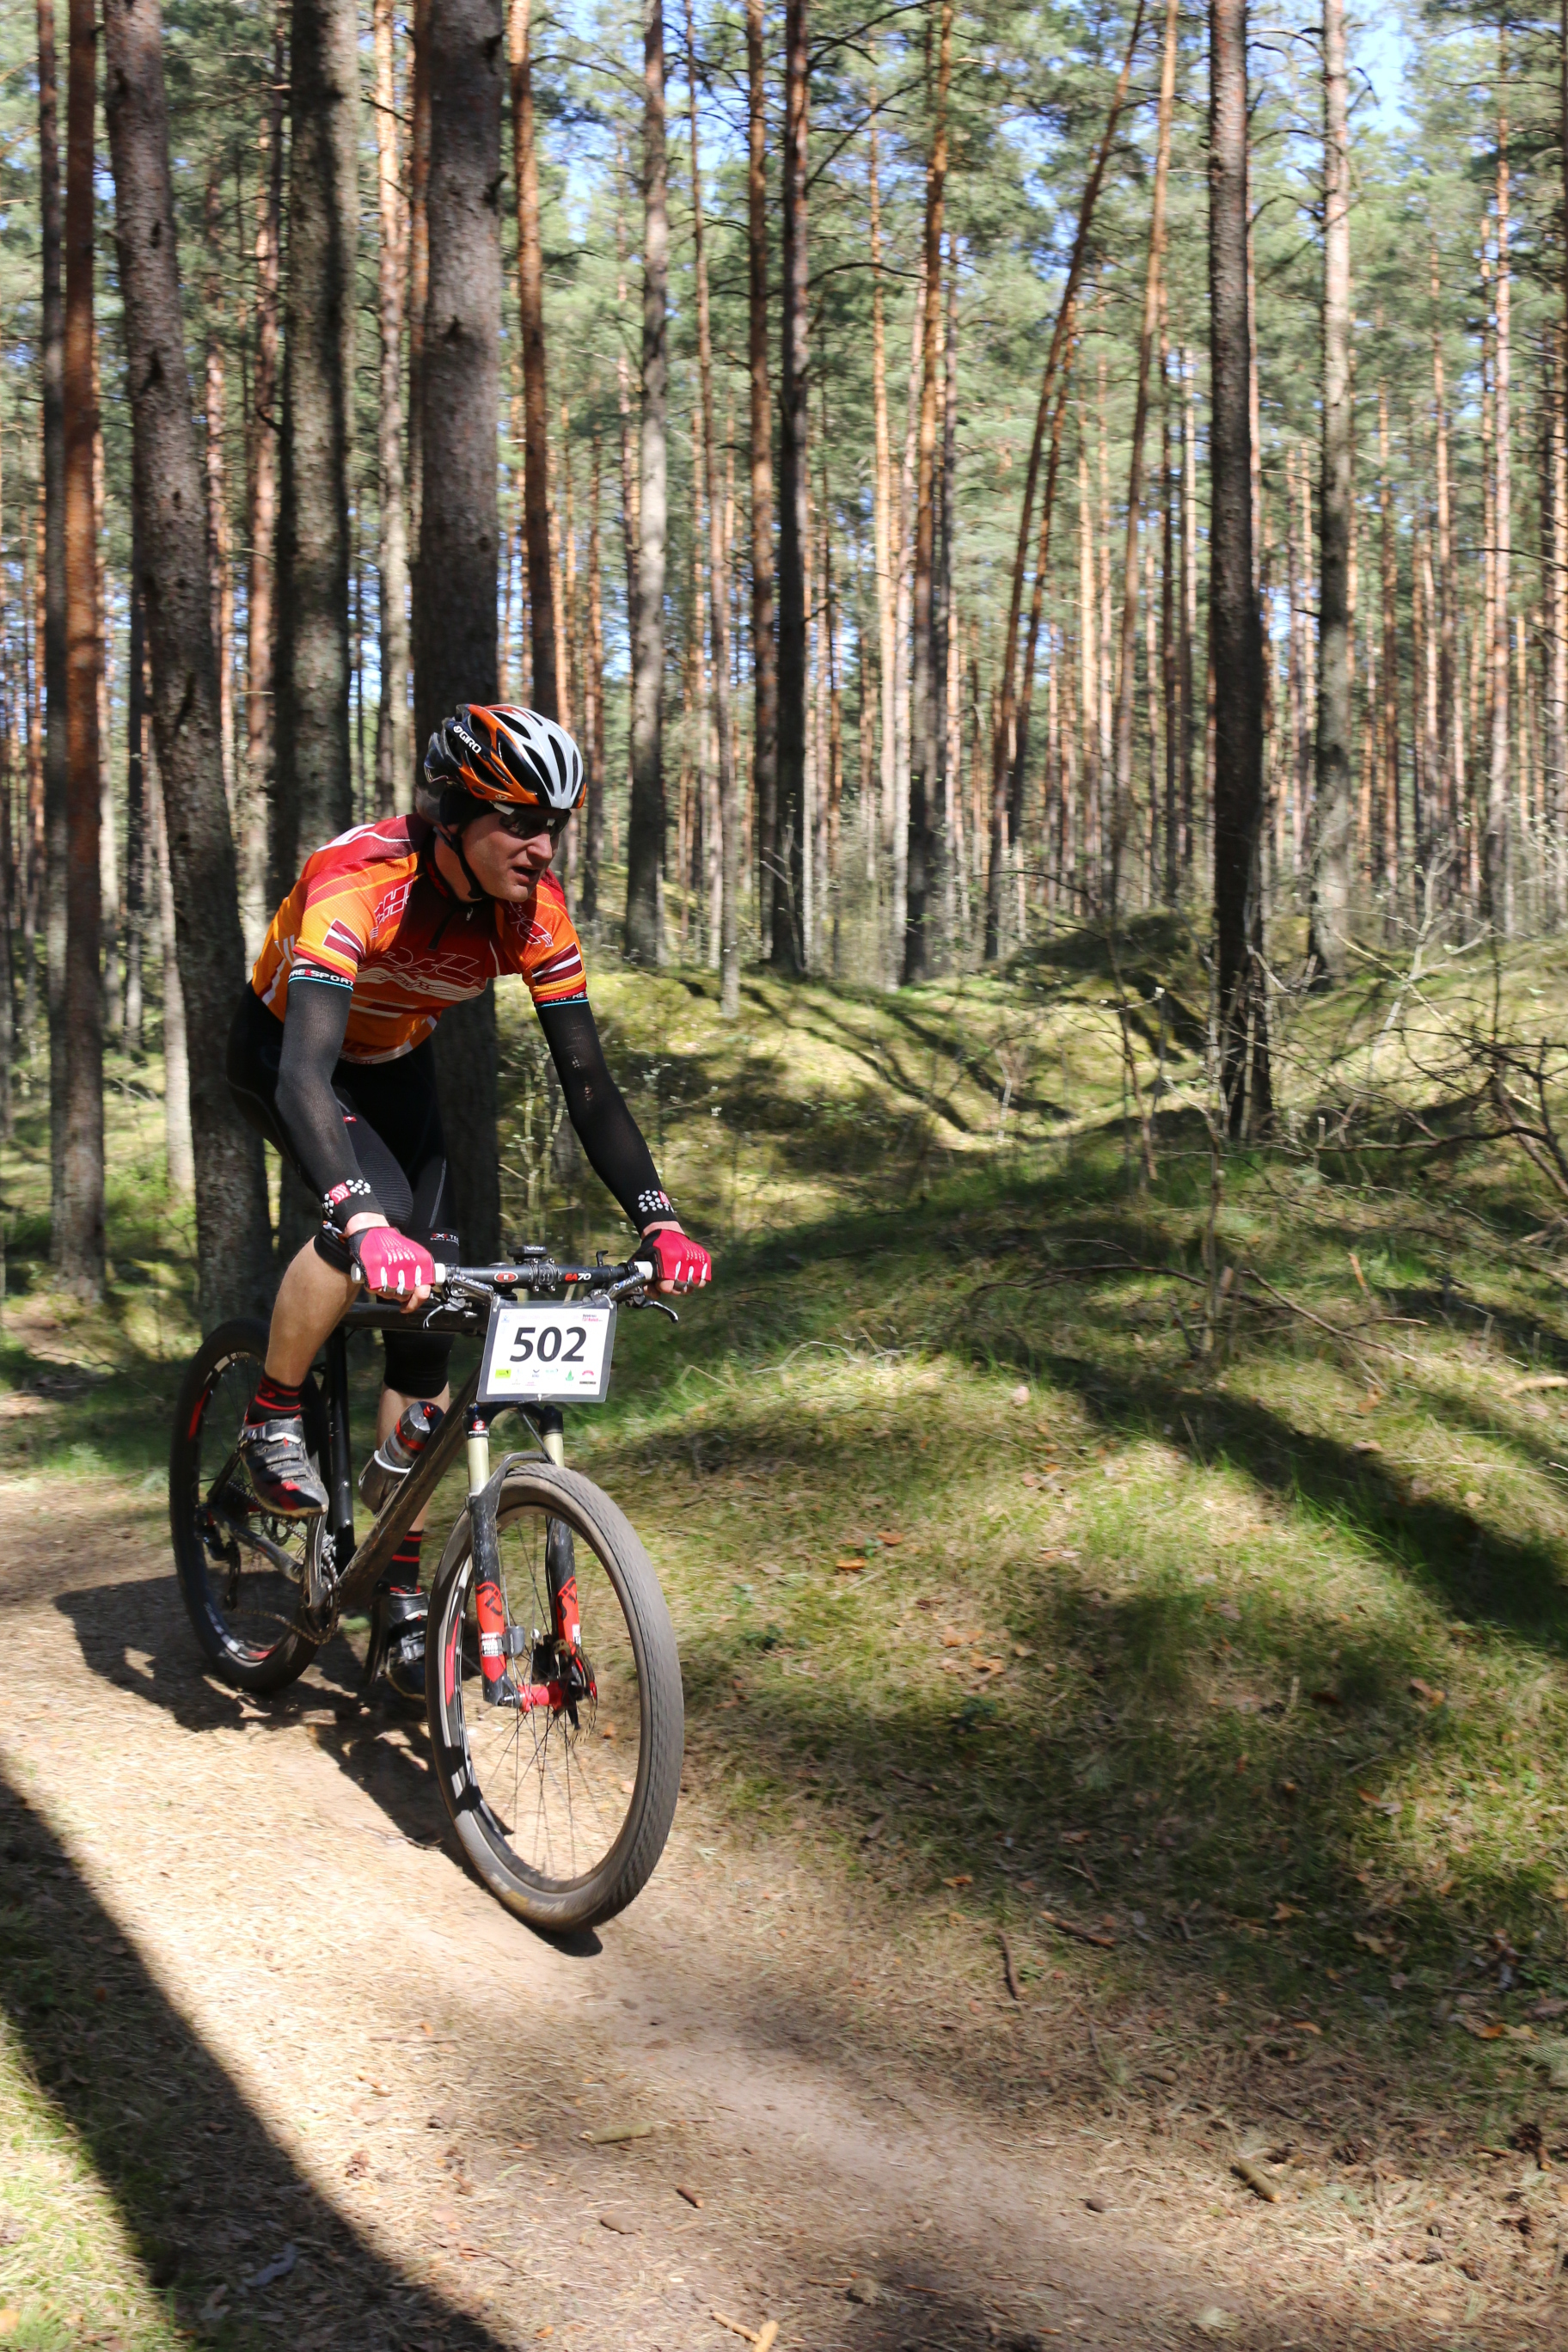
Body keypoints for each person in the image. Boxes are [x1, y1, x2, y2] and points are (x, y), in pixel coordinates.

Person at [227, 704, 711, 1697]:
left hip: (394, 1067)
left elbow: (587, 1084)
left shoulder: (536, 911)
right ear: (454, 816)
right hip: (289, 1054)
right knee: (372, 1219)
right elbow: (306, 1076)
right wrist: (362, 1218)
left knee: (432, 1319)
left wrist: (656, 1216)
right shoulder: (359, 879)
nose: (544, 848)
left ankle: (399, 1592)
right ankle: (271, 1412)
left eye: (555, 826)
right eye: (521, 824)